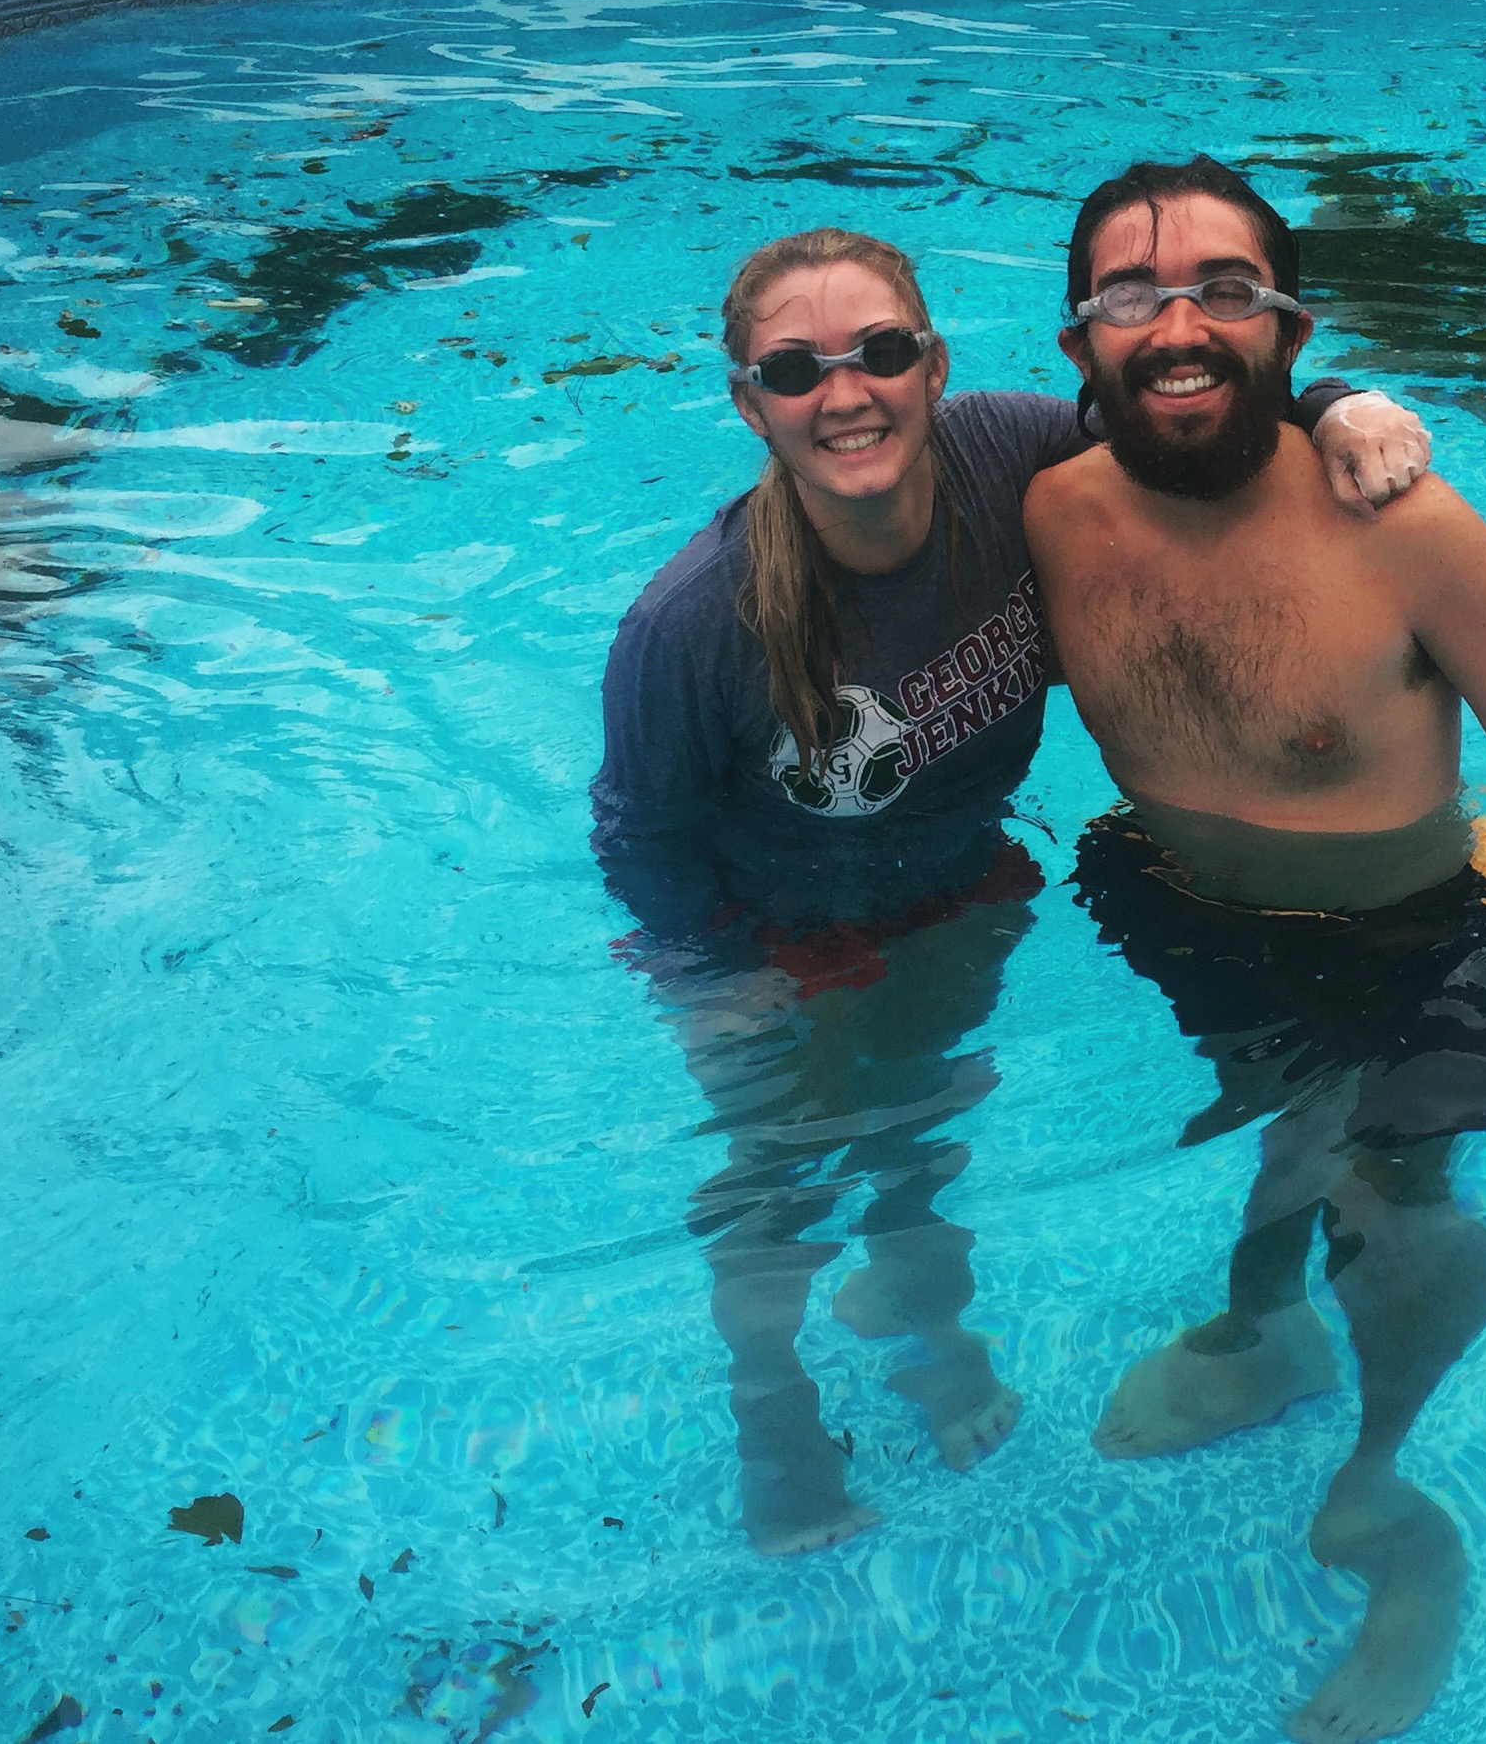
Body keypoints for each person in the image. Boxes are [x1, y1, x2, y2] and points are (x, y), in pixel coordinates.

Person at [590, 224, 1435, 1556]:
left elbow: (1184, 418)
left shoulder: (1007, 451)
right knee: (777, 1181)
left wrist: (1339, 403)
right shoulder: (691, 623)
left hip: (955, 886)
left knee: (921, 1139)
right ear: (748, 402)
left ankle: (933, 1337)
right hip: (769, 936)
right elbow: (638, 834)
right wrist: (725, 976)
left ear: (933, 367)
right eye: (795, 369)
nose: (844, 390)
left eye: (878, 351)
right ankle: (775, 1415)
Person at [1022, 160, 1486, 1744]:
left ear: (1290, 325)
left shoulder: (1408, 527)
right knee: (1282, 1125)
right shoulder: (1044, 512)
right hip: (1193, 912)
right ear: (1078, 339)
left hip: (1434, 927)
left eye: (1227, 289)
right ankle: (1264, 1326)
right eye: (1133, 294)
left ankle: (1393, 1513)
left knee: (1392, 1192)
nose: (1180, 324)